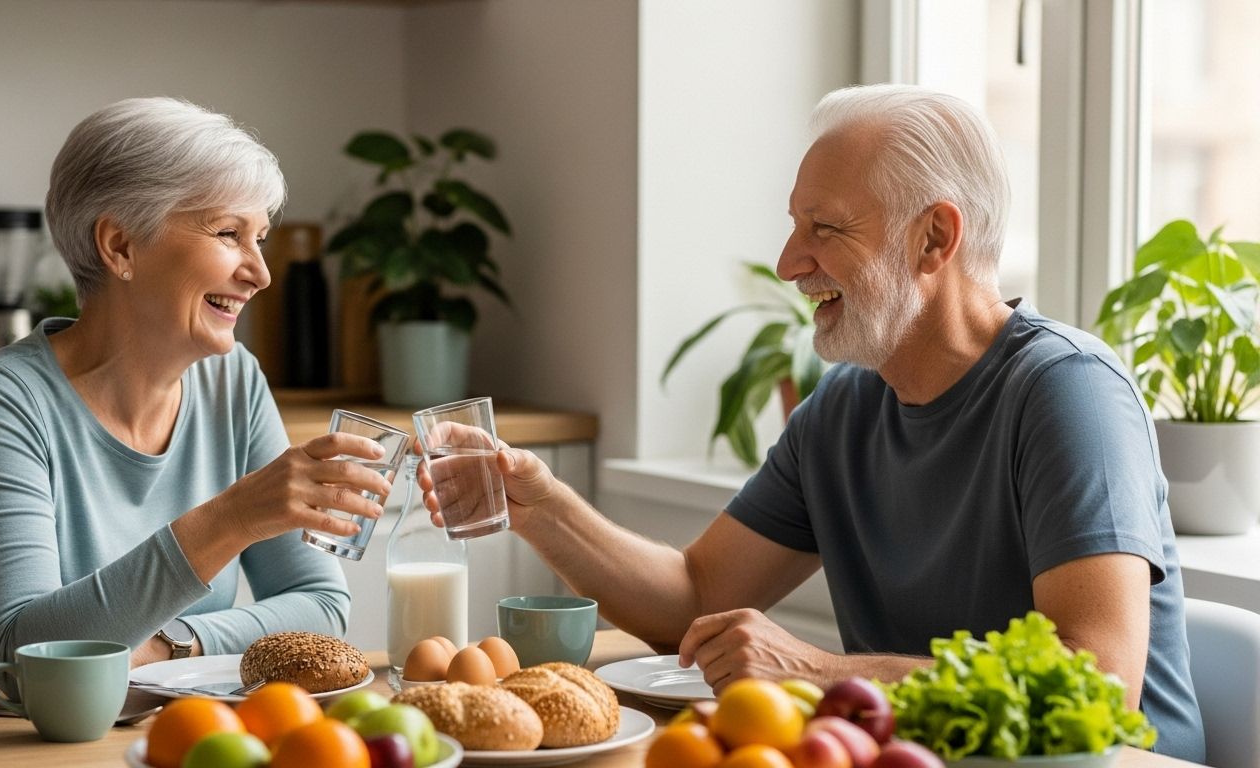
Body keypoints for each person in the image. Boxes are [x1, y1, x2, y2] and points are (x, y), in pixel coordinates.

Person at [419, 84, 1205, 761]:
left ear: (936, 237)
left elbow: (1097, 678)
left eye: (824, 228)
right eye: (796, 225)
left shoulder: (1068, 392)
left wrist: (821, 671)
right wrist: (543, 507)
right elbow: (698, 597)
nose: (790, 260)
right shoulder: (845, 407)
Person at [0, 97, 390, 692]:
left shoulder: (234, 382)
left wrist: (170, 646)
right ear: (121, 247)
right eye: (229, 233)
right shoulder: (2, 402)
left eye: (260, 238)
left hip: (150, 723)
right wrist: (229, 519)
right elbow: (21, 662)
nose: (261, 273)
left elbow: (320, 608)